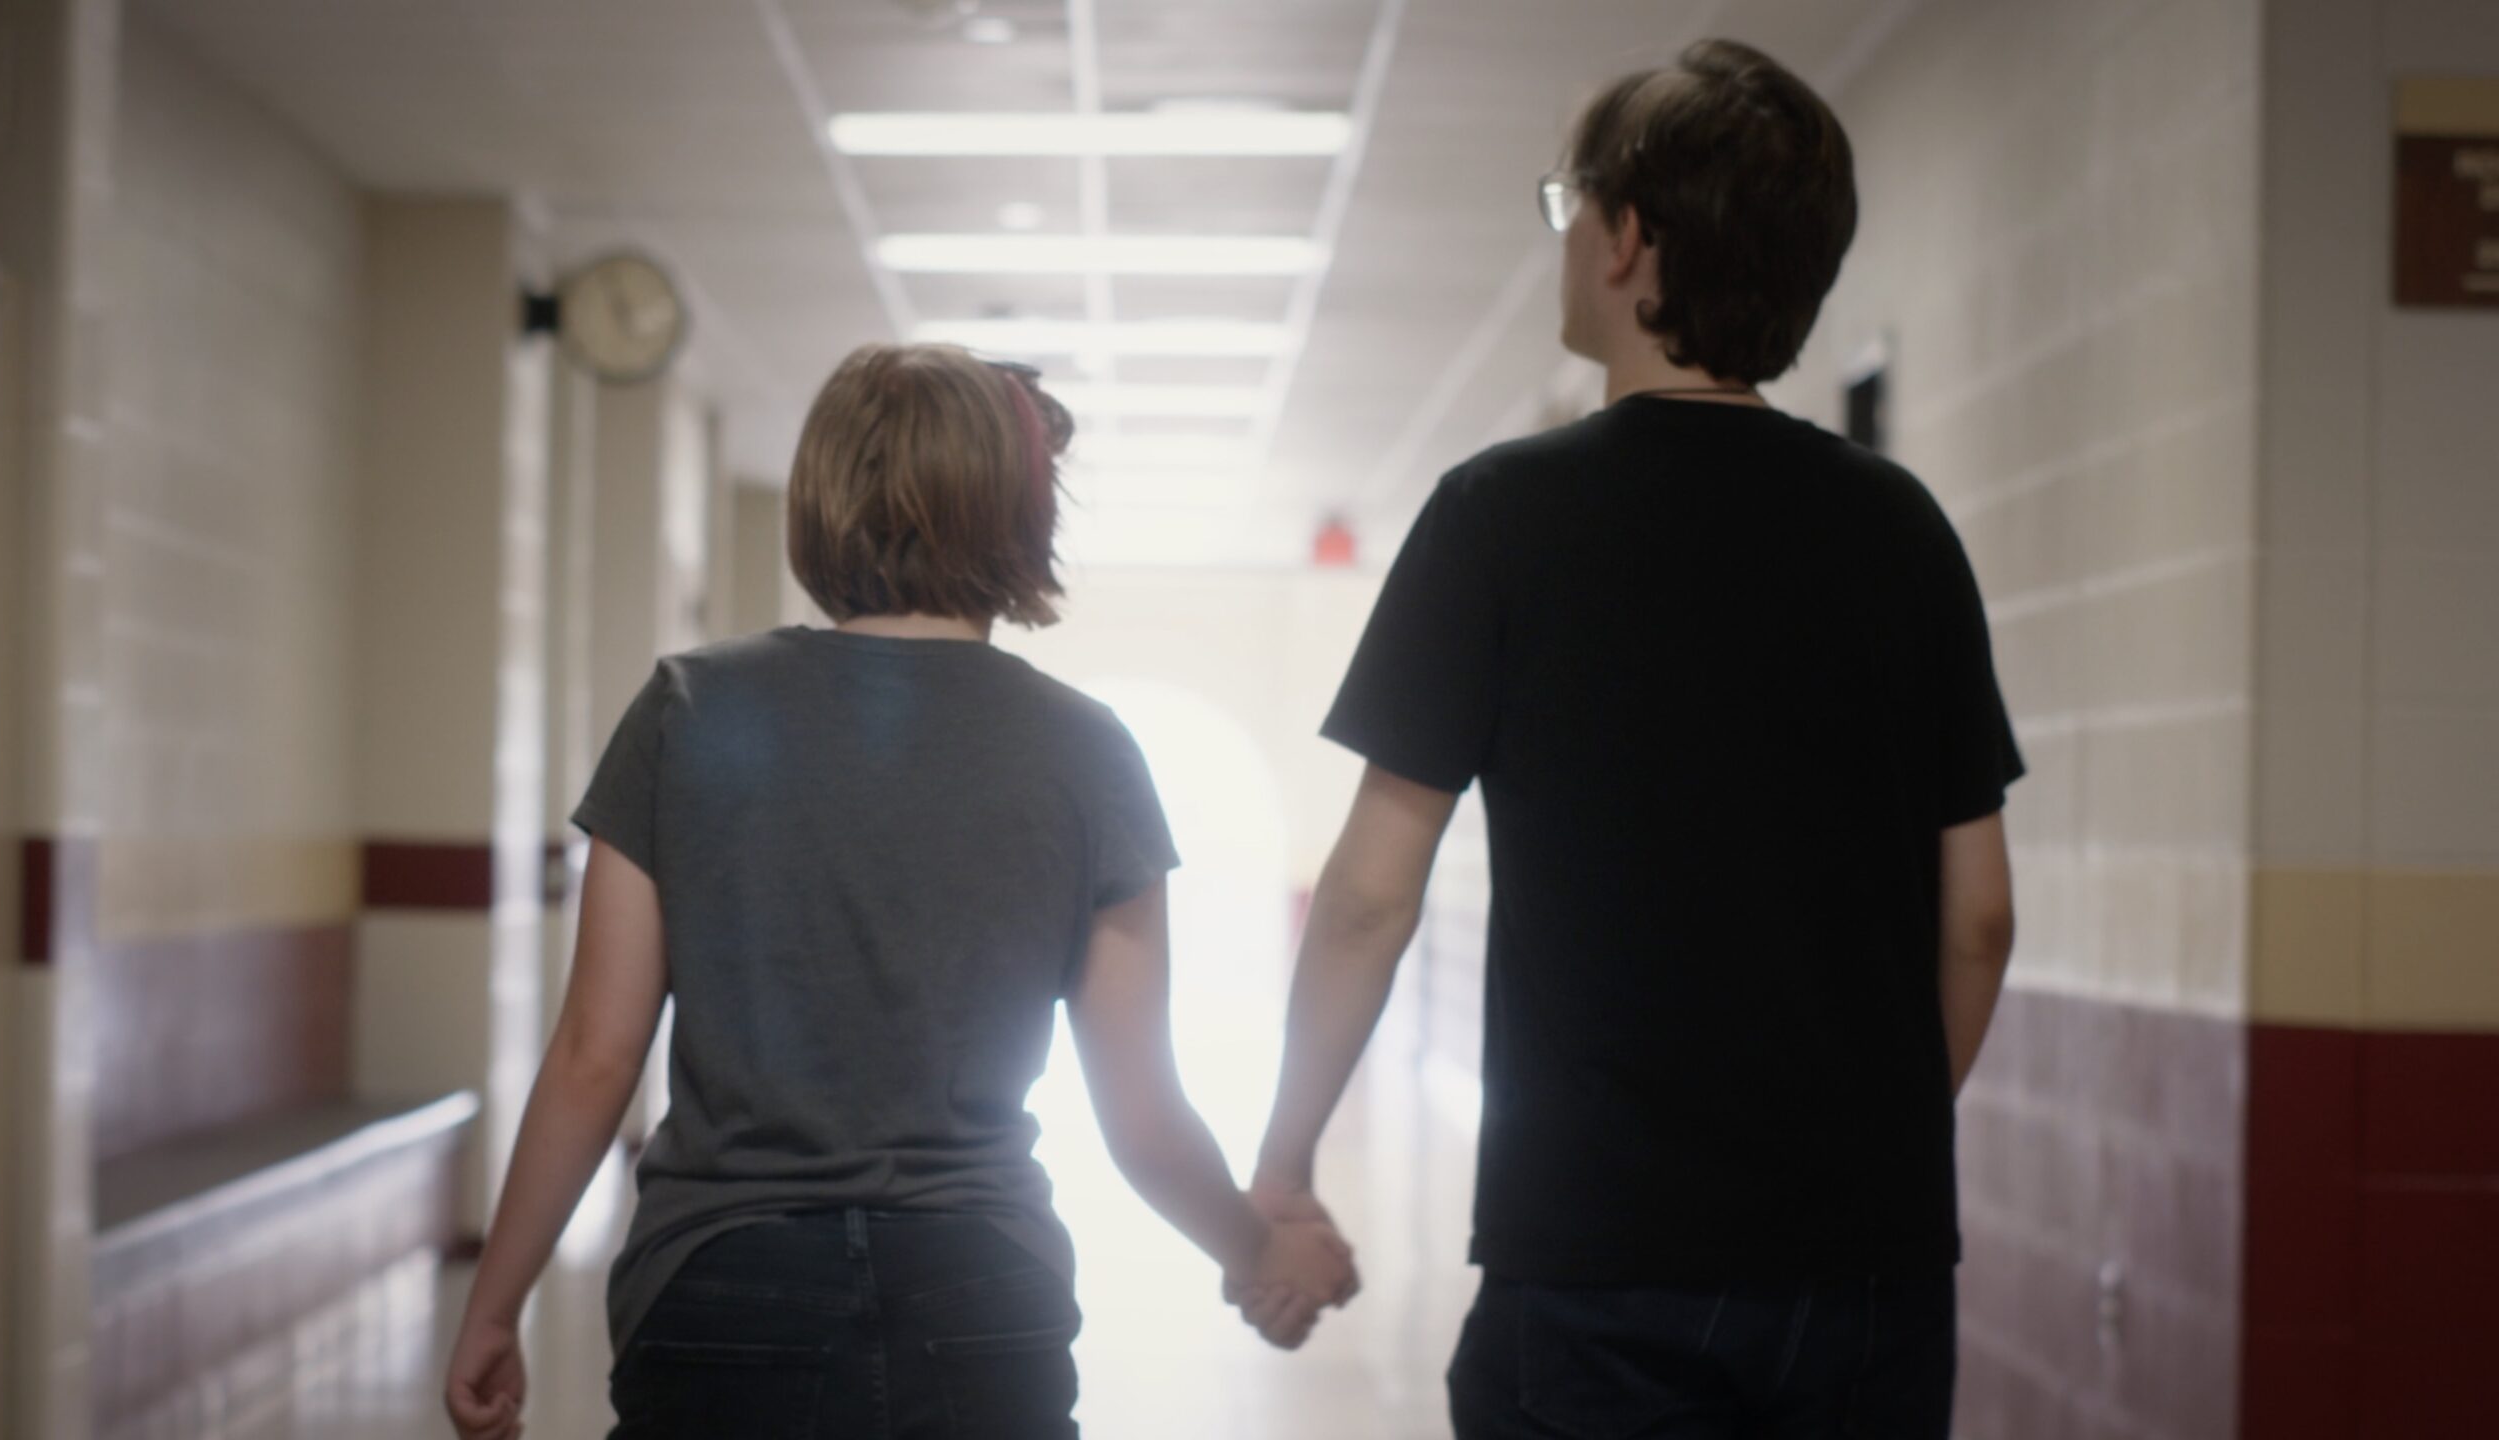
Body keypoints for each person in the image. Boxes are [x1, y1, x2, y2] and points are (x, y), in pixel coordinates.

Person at [1239, 38, 2023, 1439]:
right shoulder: (1905, 535)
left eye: (1569, 207)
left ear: (1628, 239)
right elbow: (1980, 920)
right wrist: (1865, 1148)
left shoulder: (1501, 518)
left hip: (1598, 1258)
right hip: (1868, 1271)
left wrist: (1285, 1158)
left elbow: (1367, 896)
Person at [442, 344, 1358, 1440]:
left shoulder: (688, 711)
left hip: (725, 1285)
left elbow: (597, 1052)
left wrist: (493, 1304)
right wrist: (1260, 1253)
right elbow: (1139, 1108)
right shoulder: (1086, 750)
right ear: (1020, 514)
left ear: (820, 495)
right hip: (977, 1292)